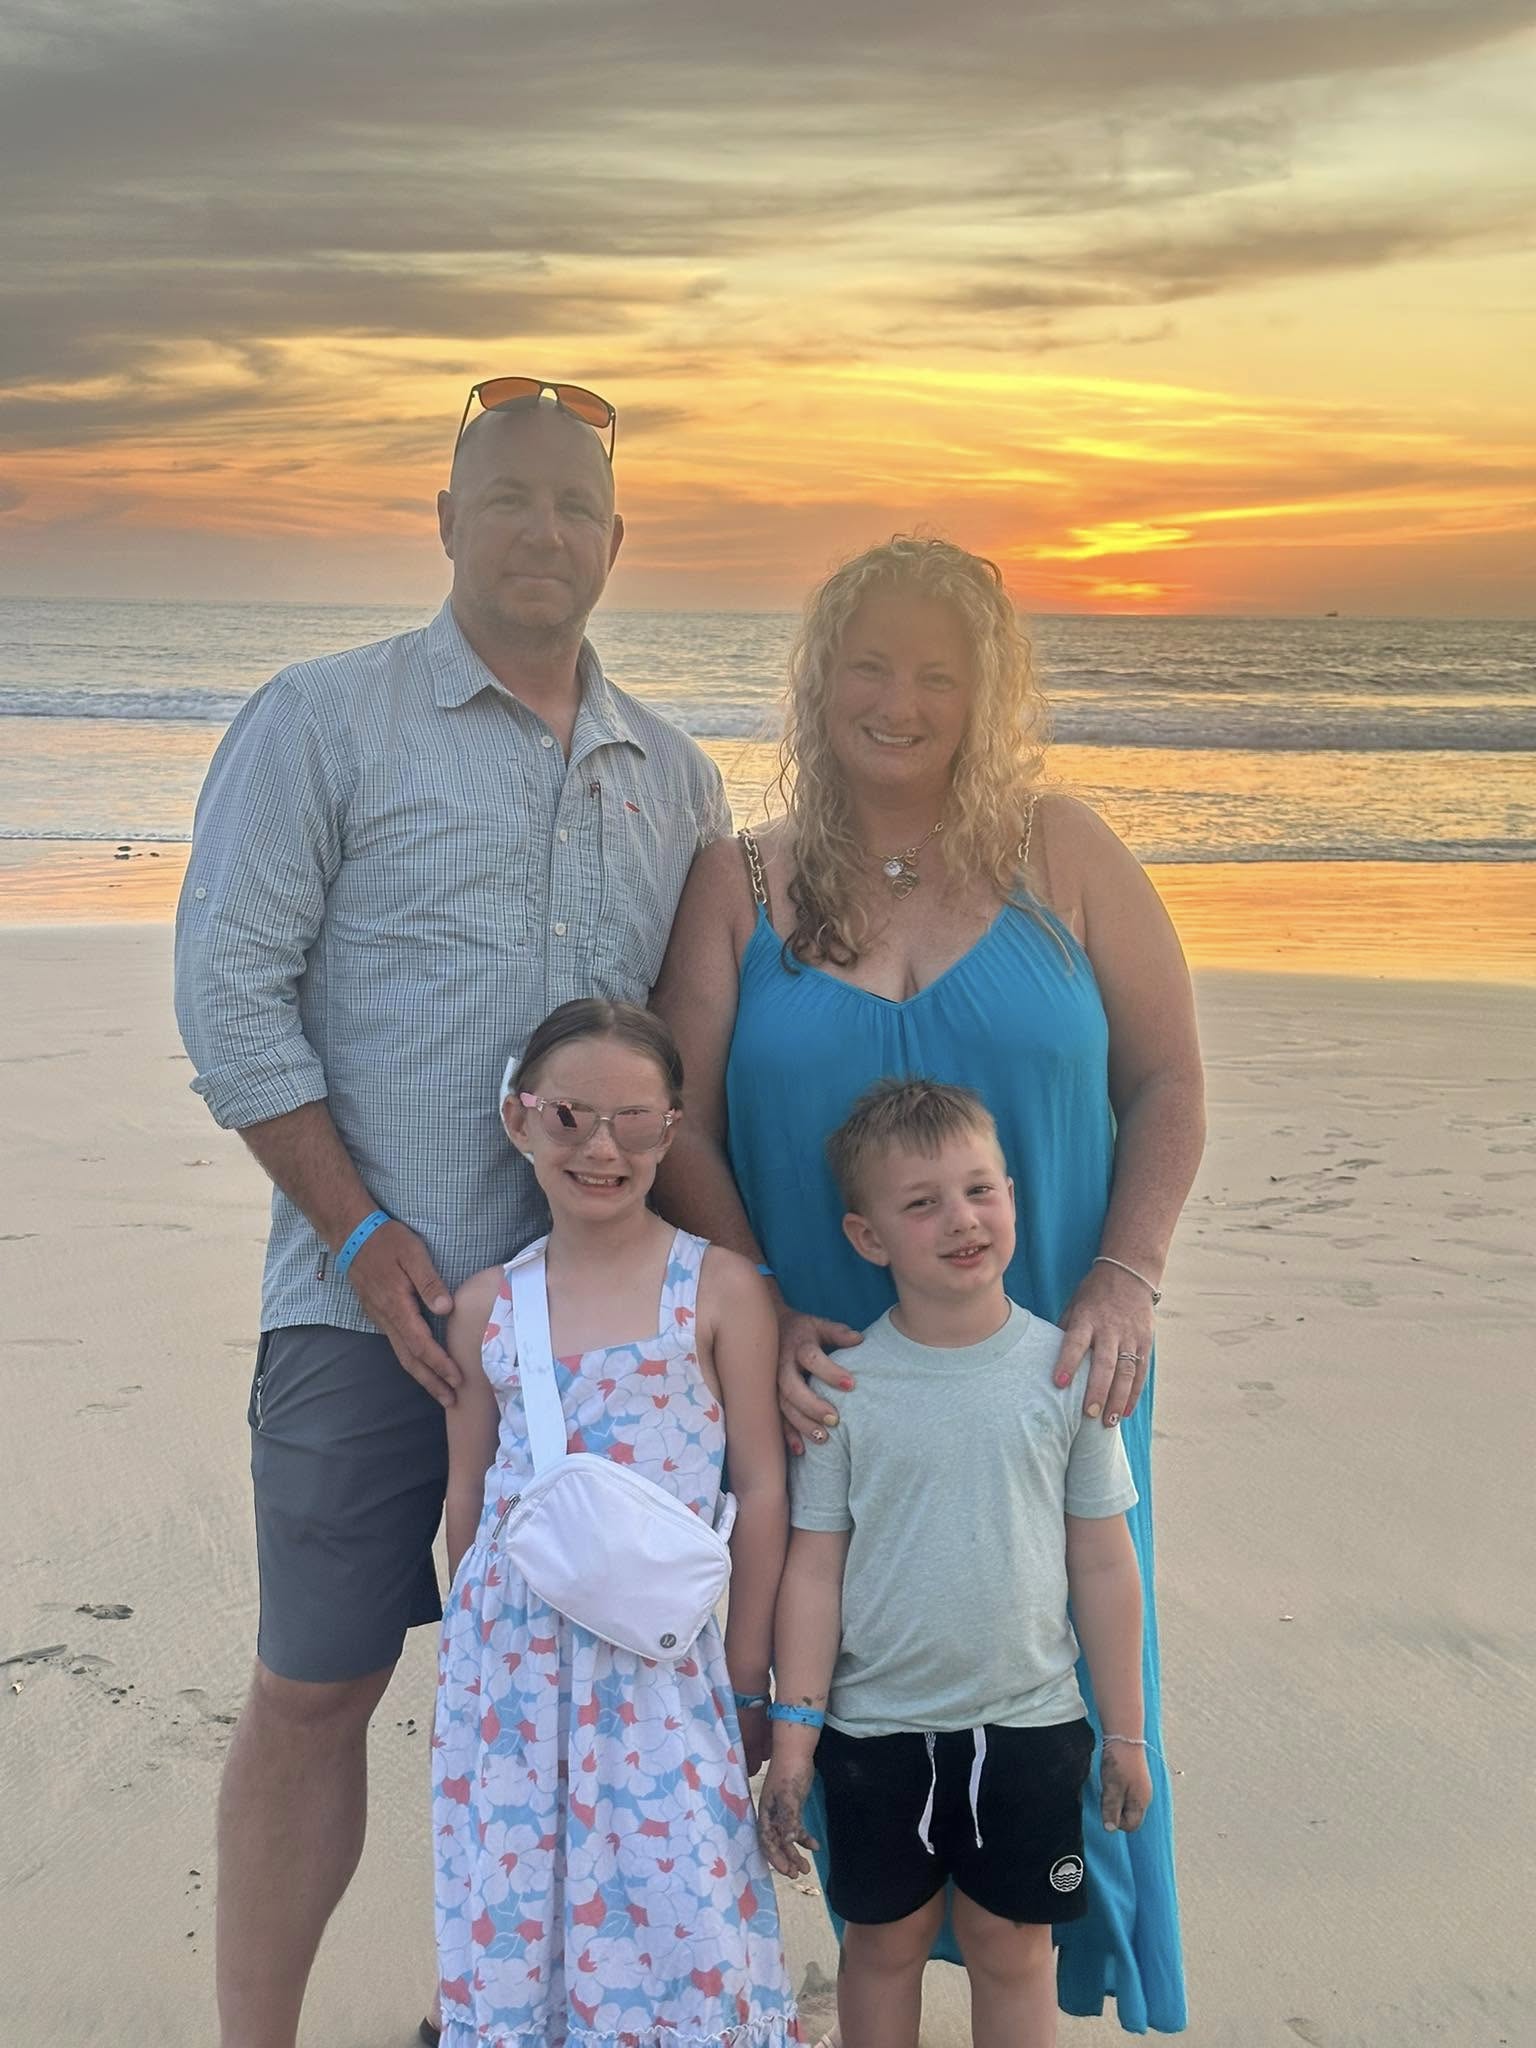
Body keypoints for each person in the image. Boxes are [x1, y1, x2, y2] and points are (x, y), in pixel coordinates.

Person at [174, 381, 729, 2048]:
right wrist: (358, 1230)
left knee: (570, 1699)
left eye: (574, 505)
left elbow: (691, 1068)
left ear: (617, 540)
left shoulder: (678, 779)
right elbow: (230, 1000)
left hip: (603, 1356)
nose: (541, 532)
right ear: (445, 516)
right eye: (508, 498)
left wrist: (757, 1295)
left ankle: (480, 2011)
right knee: (318, 1681)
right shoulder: (327, 719)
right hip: (367, 1318)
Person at [652, 534, 1203, 2032]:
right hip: (826, 1399)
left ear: (985, 694)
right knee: (860, 1774)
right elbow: (678, 1122)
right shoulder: (737, 881)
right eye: (870, 662)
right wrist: (756, 1308)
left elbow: (1169, 1085)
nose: (899, 699)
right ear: (820, 676)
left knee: (1056, 1736)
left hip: (1052, 1373)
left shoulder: (1064, 851)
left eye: (938, 673)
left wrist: (1128, 1277)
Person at [433, 999, 799, 2046]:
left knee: (679, 1919)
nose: (602, 1148)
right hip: (509, 1675)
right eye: (570, 1117)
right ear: (519, 1120)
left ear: (672, 1128)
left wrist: (748, 1672)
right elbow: (469, 1497)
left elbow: (762, 1488)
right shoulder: (485, 1305)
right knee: (516, 1920)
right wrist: (470, 1660)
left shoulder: (718, 1287)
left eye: (634, 1121)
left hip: (663, 1671)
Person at [758, 1077, 1151, 2048]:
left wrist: (1131, 1733)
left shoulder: (1068, 1371)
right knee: (882, 1945)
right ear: (868, 1235)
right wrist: (795, 1729)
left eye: (980, 1189)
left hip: (1030, 1719)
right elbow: (813, 1567)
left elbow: (1104, 1563)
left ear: (1013, 1196)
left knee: (1012, 1949)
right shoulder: (844, 1387)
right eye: (922, 1201)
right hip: (874, 1726)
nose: (962, 1219)